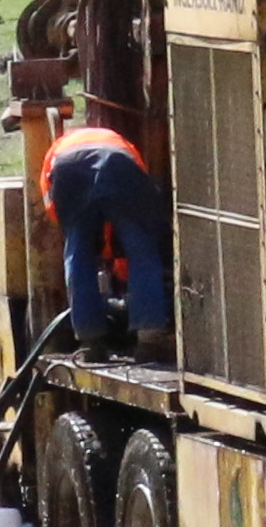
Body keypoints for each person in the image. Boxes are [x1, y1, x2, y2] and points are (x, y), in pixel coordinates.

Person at [43, 105, 171, 359]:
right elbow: (139, 211)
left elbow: (53, 205)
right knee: (142, 249)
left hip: (68, 170)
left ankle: (91, 342)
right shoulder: (123, 145)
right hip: (119, 164)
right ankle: (149, 339)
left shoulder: (57, 150)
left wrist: (80, 235)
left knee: (77, 253)